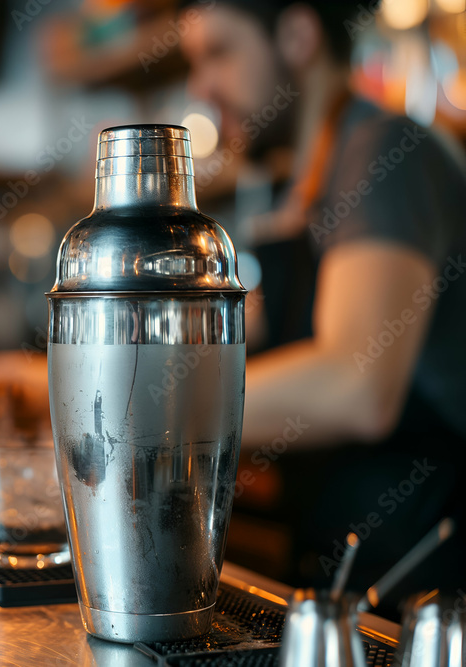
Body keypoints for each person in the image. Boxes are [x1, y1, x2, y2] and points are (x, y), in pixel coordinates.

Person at [178, 0, 466, 608]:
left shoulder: (387, 152)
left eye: (219, 53)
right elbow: (255, 335)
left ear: (298, 35)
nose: (200, 86)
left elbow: (355, 386)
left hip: (428, 580)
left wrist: (151, 420)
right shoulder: (299, 184)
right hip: (346, 569)